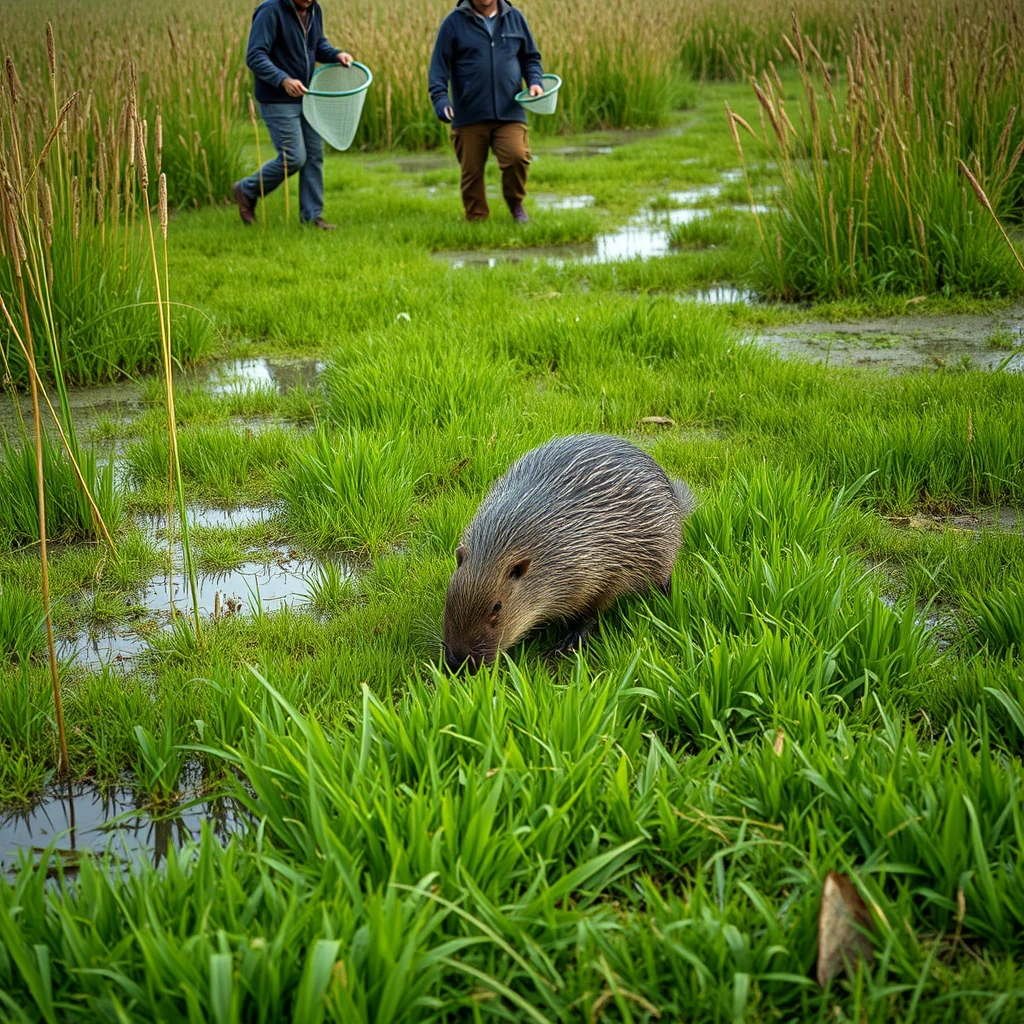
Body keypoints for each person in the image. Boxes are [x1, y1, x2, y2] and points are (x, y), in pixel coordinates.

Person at [233, 0, 354, 230]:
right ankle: (247, 190)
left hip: (307, 96)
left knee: (314, 154)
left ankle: (312, 218)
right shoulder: (270, 11)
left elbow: (317, 44)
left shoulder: (314, 9)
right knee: (294, 157)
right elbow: (255, 55)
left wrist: (337, 55)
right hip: (278, 99)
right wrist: (283, 79)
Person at [429, 0, 545, 223]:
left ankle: (515, 203)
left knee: (517, 157)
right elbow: (438, 70)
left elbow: (531, 59)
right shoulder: (453, 23)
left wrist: (535, 81)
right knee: (471, 173)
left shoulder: (515, 18)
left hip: (510, 111)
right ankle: (477, 219)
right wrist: (441, 101)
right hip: (468, 114)